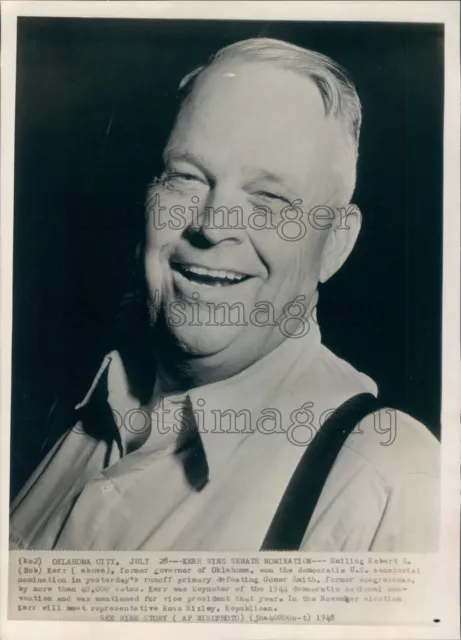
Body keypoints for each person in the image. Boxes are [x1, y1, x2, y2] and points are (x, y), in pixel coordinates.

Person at [9, 37, 439, 552]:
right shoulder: (69, 410)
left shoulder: (389, 485)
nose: (213, 225)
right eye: (187, 177)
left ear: (336, 244)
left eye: (270, 197)